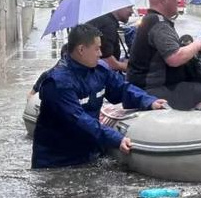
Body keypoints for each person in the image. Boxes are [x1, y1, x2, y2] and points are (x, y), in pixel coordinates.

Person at [32, 24, 167, 169]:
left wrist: (148, 101)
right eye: (96, 49)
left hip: (88, 153)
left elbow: (121, 88)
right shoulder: (57, 83)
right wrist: (116, 138)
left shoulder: (100, 70)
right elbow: (78, 120)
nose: (100, 54)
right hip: (55, 162)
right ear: (81, 50)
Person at [127, 0, 201, 110]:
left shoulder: (151, 20)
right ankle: (194, 127)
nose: (178, 0)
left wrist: (195, 47)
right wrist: (197, 45)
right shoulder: (159, 24)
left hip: (141, 88)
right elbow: (174, 58)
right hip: (151, 90)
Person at [87, 6, 133, 72]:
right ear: (118, 6)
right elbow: (107, 60)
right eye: (129, 7)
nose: (132, 11)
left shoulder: (105, 20)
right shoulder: (108, 25)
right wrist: (126, 66)